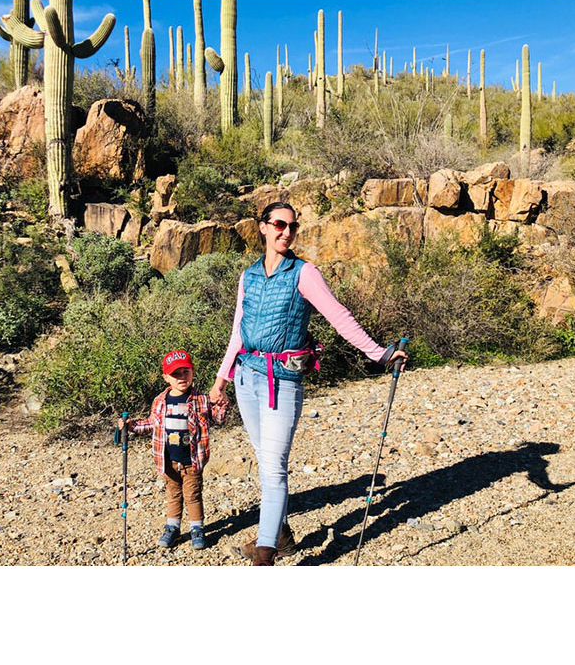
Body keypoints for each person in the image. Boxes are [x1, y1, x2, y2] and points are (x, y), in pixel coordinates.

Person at [209, 202, 407, 566]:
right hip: (246, 378)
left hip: (281, 381)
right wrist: (221, 379)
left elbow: (339, 317)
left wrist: (379, 353)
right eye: (280, 225)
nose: (287, 232)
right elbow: (238, 329)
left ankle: (265, 554)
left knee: (273, 468)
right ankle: (281, 534)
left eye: (293, 227)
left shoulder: (304, 273)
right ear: (263, 228)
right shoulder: (249, 276)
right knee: (265, 461)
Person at [119, 349, 227, 551]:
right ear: (166, 377)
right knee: (173, 494)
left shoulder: (201, 400)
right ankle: (173, 527)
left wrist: (222, 402)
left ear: (193, 372)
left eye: (185, 372)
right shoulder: (160, 401)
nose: (181, 378)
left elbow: (219, 419)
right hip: (168, 460)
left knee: (193, 495)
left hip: (193, 459)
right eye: (175, 374)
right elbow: (152, 424)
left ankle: (197, 528)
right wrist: (131, 426)